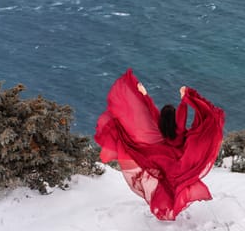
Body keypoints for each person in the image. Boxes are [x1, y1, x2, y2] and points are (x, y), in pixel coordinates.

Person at [94, 69, 225, 221]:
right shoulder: (179, 127)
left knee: (167, 187)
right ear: (174, 117)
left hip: (164, 158)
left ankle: (168, 210)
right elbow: (182, 114)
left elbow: (151, 110)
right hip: (181, 160)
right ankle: (174, 208)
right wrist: (184, 98)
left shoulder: (159, 125)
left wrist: (144, 94)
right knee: (179, 185)